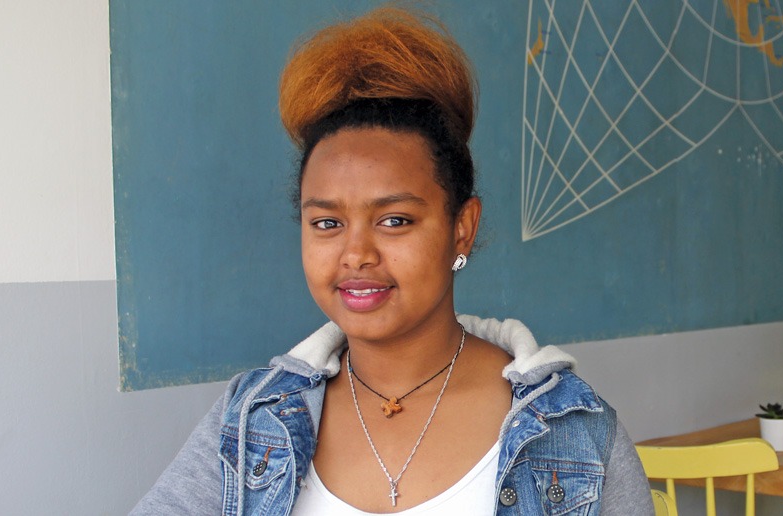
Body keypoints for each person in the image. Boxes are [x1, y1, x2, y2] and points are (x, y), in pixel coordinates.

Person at [132, 6, 651, 515]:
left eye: (395, 220)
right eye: (327, 223)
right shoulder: (251, 421)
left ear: (462, 228)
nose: (356, 254)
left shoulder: (572, 434)